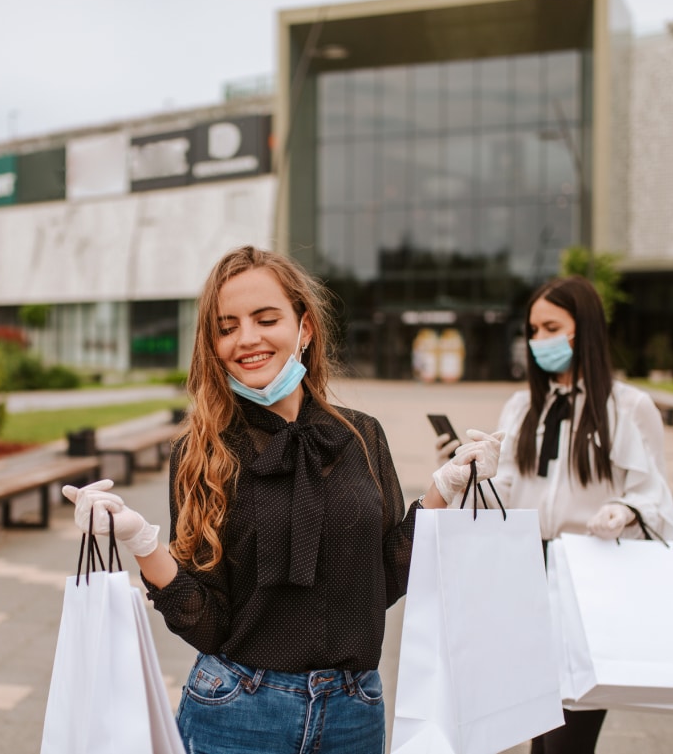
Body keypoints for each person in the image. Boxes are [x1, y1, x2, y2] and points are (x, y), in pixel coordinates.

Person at [63, 245, 497, 754]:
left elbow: (383, 579)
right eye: (227, 327)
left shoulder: (361, 436)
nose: (247, 339)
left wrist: (442, 491)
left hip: (354, 713)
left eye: (266, 319)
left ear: (304, 328)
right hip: (237, 711)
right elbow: (206, 623)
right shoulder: (202, 453)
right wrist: (141, 541)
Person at [435, 275, 673, 754]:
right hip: (525, 572)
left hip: (588, 574)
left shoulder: (628, 407)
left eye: (551, 327)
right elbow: (506, 488)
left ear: (583, 327)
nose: (539, 340)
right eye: (533, 329)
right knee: (536, 722)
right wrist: (471, 473)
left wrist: (622, 511)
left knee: (573, 725)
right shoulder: (525, 405)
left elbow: (654, 494)